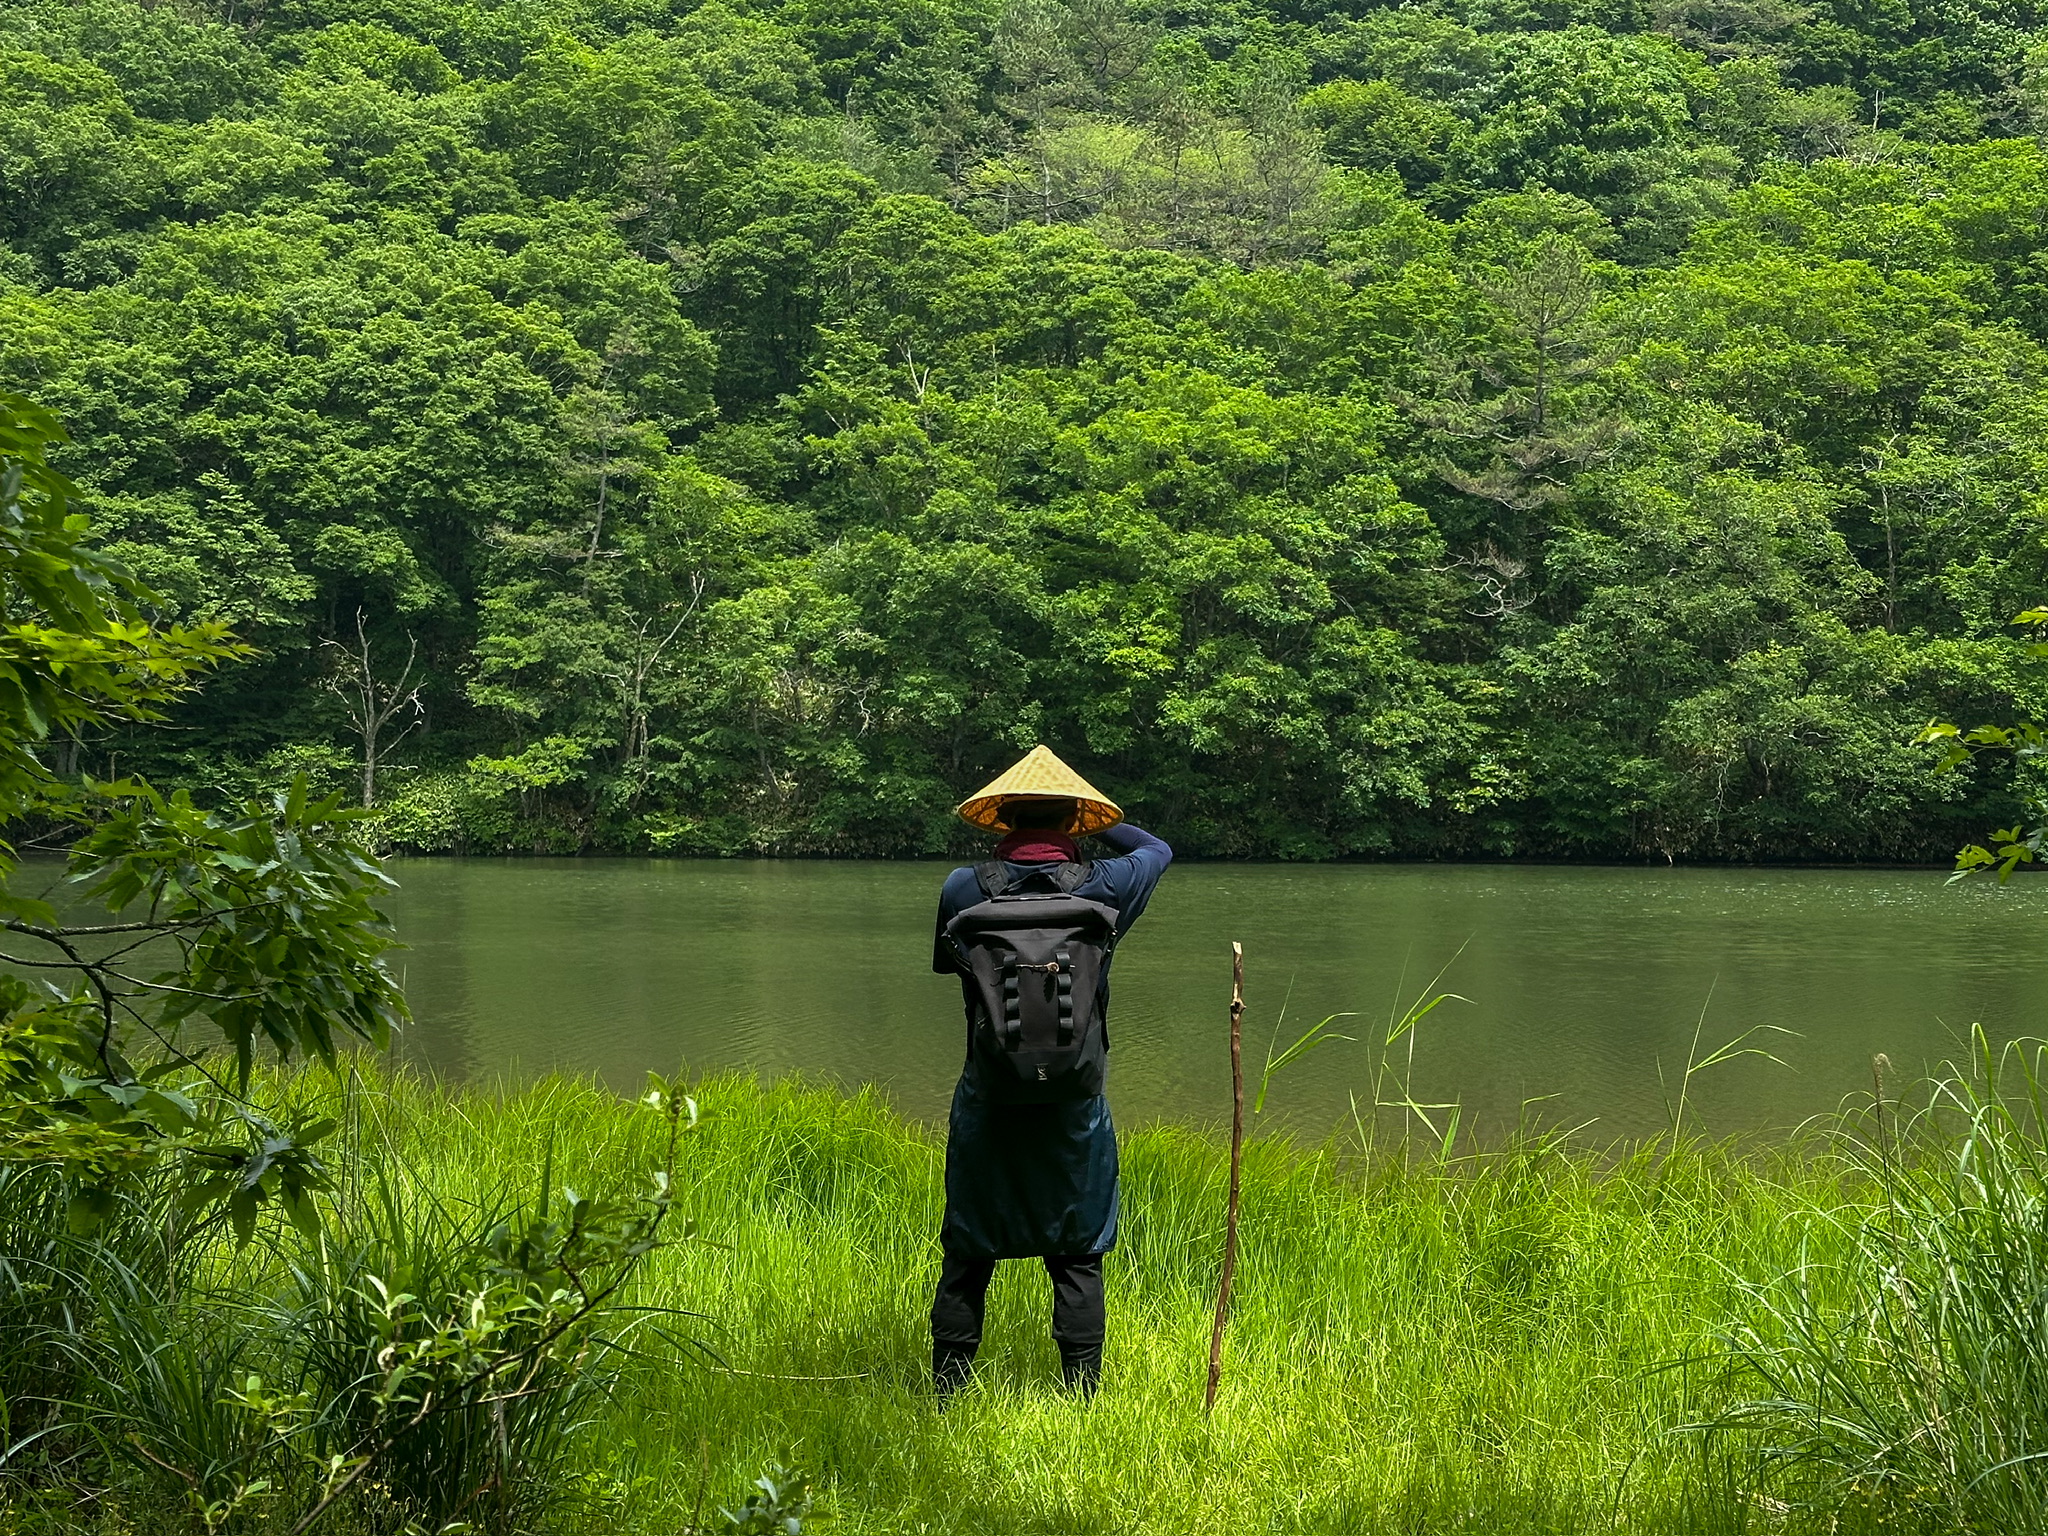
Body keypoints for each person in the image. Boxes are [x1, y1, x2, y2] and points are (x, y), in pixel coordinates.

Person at [928, 745, 1172, 1401]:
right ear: (1075, 820)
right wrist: (1096, 825)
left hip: (988, 1097)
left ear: (1002, 819)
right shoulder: (1108, 887)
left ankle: (947, 1396)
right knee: (1077, 1249)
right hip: (1074, 1102)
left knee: (969, 1252)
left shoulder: (963, 888)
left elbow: (955, 969)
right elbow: (1156, 847)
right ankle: (1081, 1398)